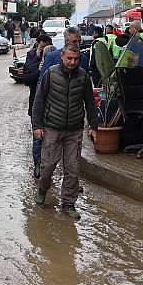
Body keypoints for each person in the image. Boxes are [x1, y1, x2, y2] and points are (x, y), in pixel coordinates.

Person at [32, 42, 99, 219]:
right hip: (52, 126)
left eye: (76, 59)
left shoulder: (83, 76)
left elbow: (90, 103)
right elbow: (39, 100)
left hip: (74, 129)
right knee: (48, 165)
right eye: (69, 58)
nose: (72, 62)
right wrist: (37, 126)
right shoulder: (50, 74)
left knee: (72, 167)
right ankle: (42, 188)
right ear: (62, 56)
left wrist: (94, 126)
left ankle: (68, 203)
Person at [22, 34, 53, 178]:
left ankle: (48, 165)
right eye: (41, 47)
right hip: (36, 103)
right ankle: (38, 164)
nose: (43, 49)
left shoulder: (54, 57)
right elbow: (27, 79)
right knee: (37, 137)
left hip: (53, 106)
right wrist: (37, 65)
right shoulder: (31, 56)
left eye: (46, 47)